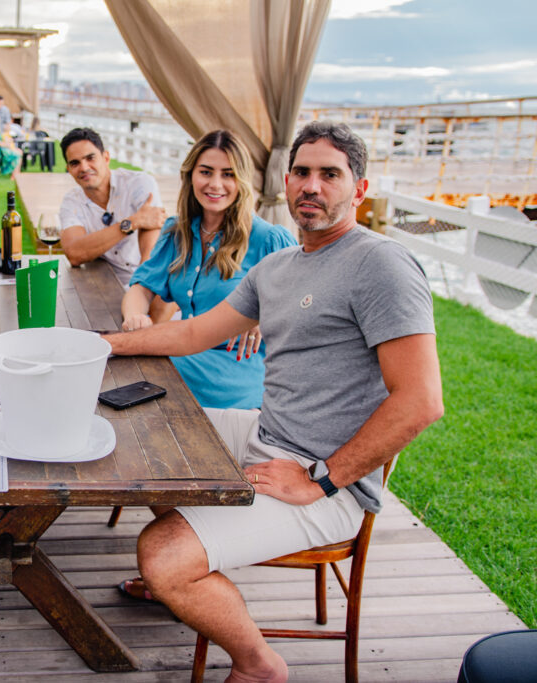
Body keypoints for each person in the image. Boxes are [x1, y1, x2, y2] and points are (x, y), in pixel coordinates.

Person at [102, 121, 444, 682]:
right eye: (302, 172)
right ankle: (203, 562)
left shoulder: (380, 263)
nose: (312, 185)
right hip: (266, 434)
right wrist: (105, 345)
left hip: (326, 481)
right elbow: (193, 333)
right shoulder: (278, 267)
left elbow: (422, 401)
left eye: (330, 174)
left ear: (359, 189)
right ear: (285, 183)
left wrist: (321, 479)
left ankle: (258, 665)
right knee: (147, 430)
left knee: (162, 555)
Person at [121, 130, 297, 408]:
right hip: (185, 357)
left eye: (228, 174)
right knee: (121, 375)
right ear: (191, 175)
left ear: (242, 180)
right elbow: (141, 286)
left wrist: (265, 317)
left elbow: (301, 310)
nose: (215, 184)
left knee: (130, 378)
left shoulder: (268, 239)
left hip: (237, 376)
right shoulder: (176, 232)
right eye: (206, 172)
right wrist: (135, 317)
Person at [58, 127, 167, 288]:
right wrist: (133, 222)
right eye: (75, 163)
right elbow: (74, 253)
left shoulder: (139, 183)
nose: (84, 168)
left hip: (149, 281)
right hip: (106, 284)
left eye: (90, 158)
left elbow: (150, 256)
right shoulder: (72, 201)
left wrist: (139, 292)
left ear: (106, 158)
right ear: (68, 169)